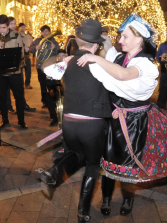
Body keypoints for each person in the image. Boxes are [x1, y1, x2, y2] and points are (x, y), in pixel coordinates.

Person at [77, 13, 167, 217]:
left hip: (134, 121)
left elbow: (123, 74)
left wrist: (95, 57)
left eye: (125, 37)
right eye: (120, 36)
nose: (120, 40)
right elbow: (106, 76)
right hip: (113, 116)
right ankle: (106, 198)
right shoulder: (116, 56)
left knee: (129, 162)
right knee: (107, 158)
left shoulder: (146, 65)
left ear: (139, 39)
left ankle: (127, 199)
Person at [40, 19, 112, 222]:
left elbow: (46, 71)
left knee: (77, 154)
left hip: (69, 124)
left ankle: (54, 172)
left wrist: (61, 58)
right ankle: (83, 211)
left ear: (78, 42)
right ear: (96, 45)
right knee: (92, 165)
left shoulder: (69, 61)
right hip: (92, 125)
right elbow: (118, 85)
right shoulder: (100, 64)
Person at [0, 15, 27, 129]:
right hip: (1, 73)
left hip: (15, 72)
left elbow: (21, 54)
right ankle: (4, 120)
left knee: (19, 97)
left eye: (4, 28)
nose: (2, 30)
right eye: (0, 28)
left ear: (8, 26)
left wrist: (7, 52)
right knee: (2, 97)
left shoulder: (16, 35)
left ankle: (21, 120)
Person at [30, 25, 59, 126]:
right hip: (40, 66)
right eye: (44, 32)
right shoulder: (37, 40)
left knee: (51, 86)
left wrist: (54, 48)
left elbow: (58, 51)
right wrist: (35, 47)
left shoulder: (53, 41)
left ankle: (53, 101)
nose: (46, 33)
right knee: (42, 85)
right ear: (41, 33)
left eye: (47, 31)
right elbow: (30, 49)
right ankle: (45, 101)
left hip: (50, 67)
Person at [6, 18, 35, 114]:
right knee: (7, 88)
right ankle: (8, 106)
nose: (14, 26)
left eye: (14, 24)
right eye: (11, 24)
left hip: (18, 64)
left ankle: (23, 104)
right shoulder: (5, 35)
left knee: (20, 87)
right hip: (8, 65)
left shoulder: (17, 34)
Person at [18, 22, 33, 89]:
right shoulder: (16, 36)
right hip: (20, 56)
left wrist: (29, 48)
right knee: (20, 72)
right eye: (22, 27)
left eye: (24, 27)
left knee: (28, 71)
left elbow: (32, 45)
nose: (23, 28)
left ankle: (27, 84)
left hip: (27, 56)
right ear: (19, 28)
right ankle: (20, 84)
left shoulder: (28, 37)